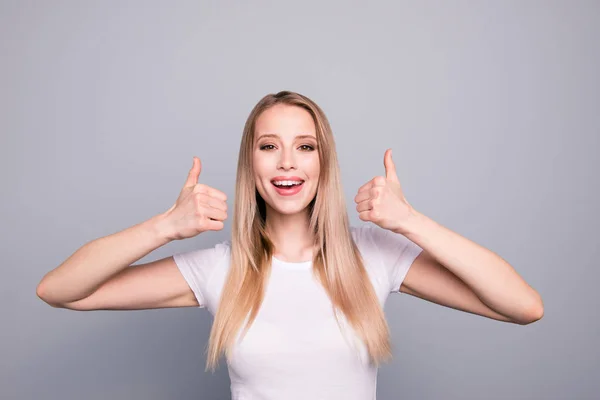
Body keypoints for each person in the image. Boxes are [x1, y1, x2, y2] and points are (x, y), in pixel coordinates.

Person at [36, 90, 544, 400]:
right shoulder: (220, 268)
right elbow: (59, 290)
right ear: (250, 165)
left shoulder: (373, 256)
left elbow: (523, 306)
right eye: (268, 147)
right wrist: (164, 226)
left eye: (304, 147)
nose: (286, 163)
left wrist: (411, 222)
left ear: (324, 164)